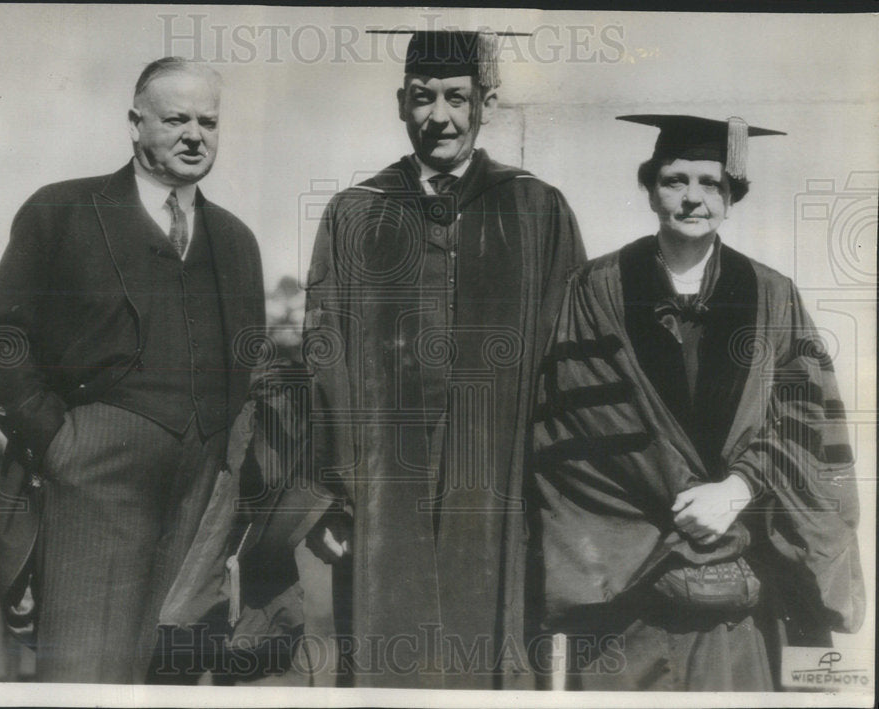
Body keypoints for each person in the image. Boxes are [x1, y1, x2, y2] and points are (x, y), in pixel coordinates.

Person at [530, 115, 865, 690]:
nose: (692, 198)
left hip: (748, 589)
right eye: (674, 180)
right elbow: (575, 425)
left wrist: (737, 489)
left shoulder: (771, 293)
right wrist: (686, 507)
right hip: (632, 584)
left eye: (710, 183)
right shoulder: (595, 288)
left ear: (731, 196)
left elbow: (806, 417)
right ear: (650, 188)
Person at [300, 30, 585, 688]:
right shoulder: (356, 213)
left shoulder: (536, 208)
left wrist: (551, 486)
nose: (440, 117)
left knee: (487, 646)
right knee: (389, 645)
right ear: (402, 103)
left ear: (484, 104)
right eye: (424, 98)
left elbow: (569, 354)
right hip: (384, 478)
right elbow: (325, 351)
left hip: (498, 475)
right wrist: (342, 488)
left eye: (457, 98)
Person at [0, 57, 265, 683]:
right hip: (93, 480)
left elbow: (249, 365)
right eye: (176, 118)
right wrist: (58, 443)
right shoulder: (63, 211)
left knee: (174, 677)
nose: (194, 134)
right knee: (82, 676)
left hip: (200, 493)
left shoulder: (236, 241)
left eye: (208, 121)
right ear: (135, 124)